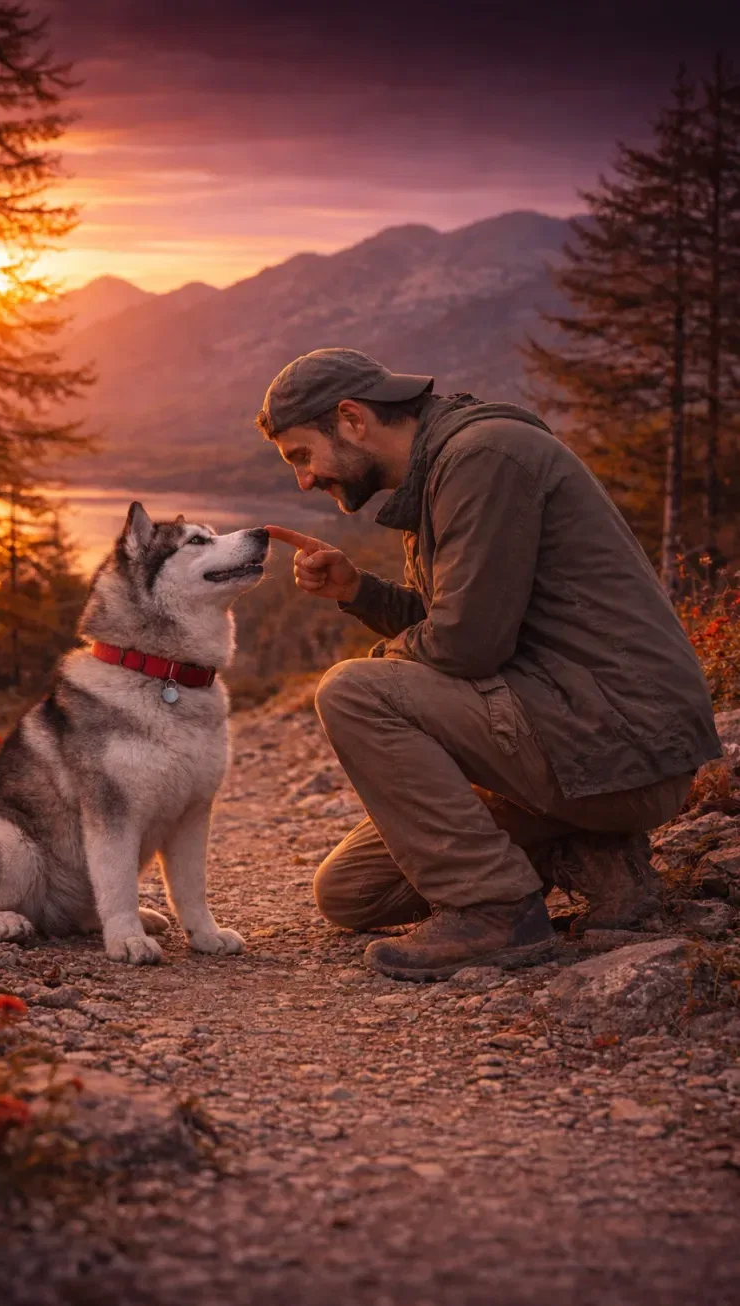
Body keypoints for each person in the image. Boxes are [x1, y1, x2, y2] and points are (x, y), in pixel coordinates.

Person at [256, 347, 721, 981]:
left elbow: (467, 646)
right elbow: (464, 620)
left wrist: (387, 667)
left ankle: (495, 910)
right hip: (565, 730)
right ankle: (587, 851)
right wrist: (358, 592)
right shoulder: (444, 468)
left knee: (354, 692)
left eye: (303, 456)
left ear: (351, 418)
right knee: (351, 893)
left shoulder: (484, 457)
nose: (305, 480)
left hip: (620, 739)